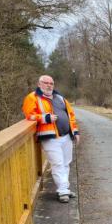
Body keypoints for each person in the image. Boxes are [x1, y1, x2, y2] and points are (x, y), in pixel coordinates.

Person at [22, 75, 81, 203]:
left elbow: (70, 115)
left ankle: (64, 187)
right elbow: (29, 115)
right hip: (50, 137)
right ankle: (62, 191)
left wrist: (75, 131)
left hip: (66, 135)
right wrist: (45, 118)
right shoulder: (32, 97)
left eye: (51, 83)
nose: (49, 85)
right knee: (58, 163)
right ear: (39, 84)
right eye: (46, 83)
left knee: (66, 163)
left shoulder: (60, 97)